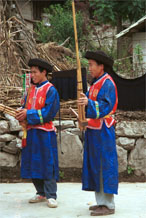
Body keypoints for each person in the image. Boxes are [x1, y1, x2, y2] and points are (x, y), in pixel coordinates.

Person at [78, 50, 118, 216]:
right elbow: (89, 104)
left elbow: (105, 107)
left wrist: (88, 102)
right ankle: (101, 201)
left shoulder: (107, 83)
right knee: (95, 165)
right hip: (94, 129)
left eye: (92, 65)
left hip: (103, 130)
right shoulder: (95, 83)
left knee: (104, 166)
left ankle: (108, 205)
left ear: (101, 66)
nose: (90, 68)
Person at [16, 58, 60, 208]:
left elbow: (48, 113)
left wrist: (28, 114)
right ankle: (40, 192)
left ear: (44, 72)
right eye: (31, 72)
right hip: (30, 132)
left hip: (45, 133)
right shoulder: (30, 89)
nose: (32, 75)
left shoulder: (51, 90)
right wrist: (21, 115)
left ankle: (51, 195)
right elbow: (24, 106)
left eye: (35, 72)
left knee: (47, 162)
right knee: (33, 161)